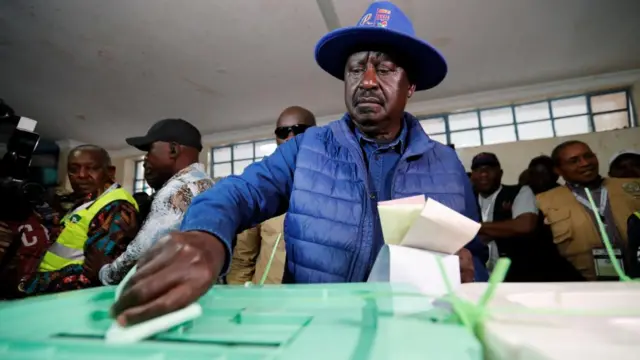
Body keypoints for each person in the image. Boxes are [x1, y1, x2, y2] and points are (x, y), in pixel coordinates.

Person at [111, 1, 488, 326]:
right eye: (356, 69)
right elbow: (240, 192)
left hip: (420, 329)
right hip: (319, 329)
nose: (368, 81)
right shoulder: (306, 149)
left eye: (385, 70)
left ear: (411, 86)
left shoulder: (448, 165)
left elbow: (477, 256)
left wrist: (471, 277)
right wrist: (205, 236)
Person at [98, 119, 214, 285]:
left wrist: (105, 273)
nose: (146, 158)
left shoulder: (177, 189)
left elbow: (143, 252)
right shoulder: (205, 183)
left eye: (150, 150)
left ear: (173, 150)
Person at [16, 145, 139, 296]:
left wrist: (27, 285)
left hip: (65, 298)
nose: (81, 175)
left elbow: (93, 275)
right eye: (73, 169)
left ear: (110, 172)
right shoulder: (87, 199)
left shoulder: (116, 207)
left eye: (92, 168)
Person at [227, 106, 317, 285]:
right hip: (267, 304)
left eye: (299, 130)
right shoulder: (261, 187)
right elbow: (242, 259)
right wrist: (244, 302)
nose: (290, 137)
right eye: (283, 132)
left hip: (317, 302)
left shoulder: (335, 184)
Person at [537, 140, 640, 281]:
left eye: (589, 156)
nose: (585, 163)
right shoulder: (544, 202)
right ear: (558, 170)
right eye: (574, 161)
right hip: (584, 286)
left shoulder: (631, 187)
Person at [470, 153, 539, 280]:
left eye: (489, 169)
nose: (484, 174)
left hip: (516, 275)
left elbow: (524, 225)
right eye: (478, 170)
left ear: (500, 173)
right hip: (478, 277)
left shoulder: (520, 191)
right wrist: (504, 228)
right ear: (472, 175)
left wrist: (474, 227)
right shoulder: (466, 199)